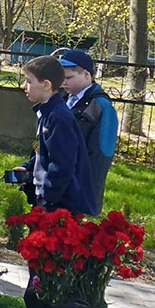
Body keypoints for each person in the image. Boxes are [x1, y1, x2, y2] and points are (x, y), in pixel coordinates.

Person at [11, 55, 96, 308]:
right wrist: (29, 166)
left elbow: (62, 165)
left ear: (46, 85)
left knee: (53, 265)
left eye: (29, 82)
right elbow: (44, 153)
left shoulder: (59, 116)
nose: (24, 86)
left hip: (59, 206)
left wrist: (46, 202)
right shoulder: (47, 111)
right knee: (39, 263)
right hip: (49, 201)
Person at [57, 49, 118, 215]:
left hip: (76, 194)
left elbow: (100, 158)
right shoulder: (61, 101)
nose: (64, 82)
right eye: (61, 78)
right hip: (52, 186)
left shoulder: (102, 108)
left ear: (86, 75)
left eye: (69, 77)